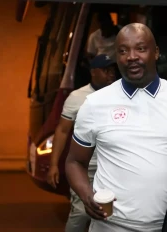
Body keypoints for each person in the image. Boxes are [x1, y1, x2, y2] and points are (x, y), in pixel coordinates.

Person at [66, 23, 167, 232]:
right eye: (123, 51)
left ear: (156, 52)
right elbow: (74, 161)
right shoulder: (95, 103)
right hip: (111, 226)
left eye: (140, 48)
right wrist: (87, 196)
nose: (131, 56)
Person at [46, 54, 116, 232]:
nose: (111, 75)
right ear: (94, 72)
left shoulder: (120, 93)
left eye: (112, 70)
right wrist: (53, 164)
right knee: (81, 213)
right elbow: (62, 131)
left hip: (113, 166)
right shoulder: (77, 97)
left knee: (112, 215)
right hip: (86, 167)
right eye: (106, 70)